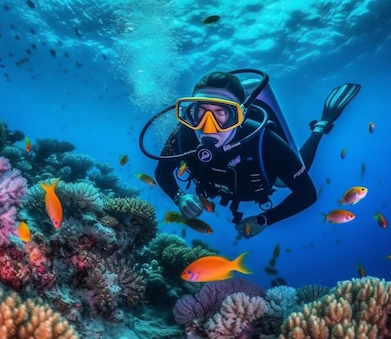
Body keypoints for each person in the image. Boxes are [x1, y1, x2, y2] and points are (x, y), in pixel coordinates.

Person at [150, 69, 361, 238]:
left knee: (289, 176)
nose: (208, 126)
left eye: (221, 113)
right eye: (200, 112)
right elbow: (162, 171)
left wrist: (264, 220)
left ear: (238, 116)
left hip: (269, 178)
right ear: (191, 111)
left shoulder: (264, 140)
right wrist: (179, 197)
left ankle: (319, 128)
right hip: (224, 187)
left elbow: (307, 194)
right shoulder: (183, 135)